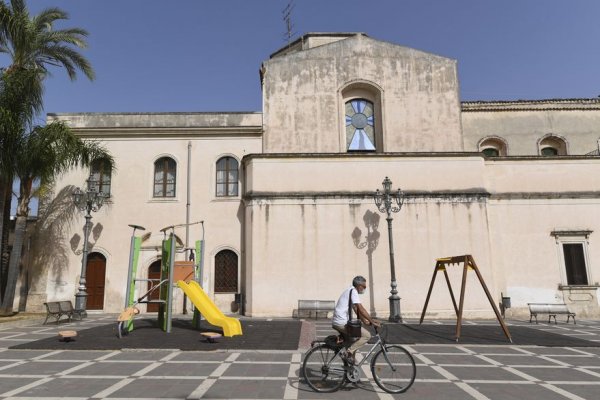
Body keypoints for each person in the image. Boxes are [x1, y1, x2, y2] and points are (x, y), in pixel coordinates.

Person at [332, 275, 380, 363]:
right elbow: (361, 308)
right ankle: (348, 353)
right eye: (364, 286)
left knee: (352, 342)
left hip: (339, 321)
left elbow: (355, 308)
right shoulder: (353, 291)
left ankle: (349, 369)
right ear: (359, 286)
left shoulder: (349, 290)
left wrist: (364, 321)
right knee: (367, 335)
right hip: (341, 322)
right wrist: (372, 321)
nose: (364, 289)